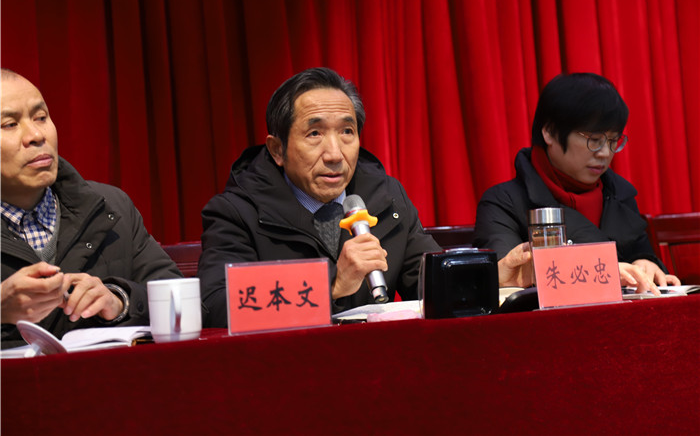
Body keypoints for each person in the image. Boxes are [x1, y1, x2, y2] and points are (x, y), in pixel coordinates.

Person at [198, 67, 440, 326]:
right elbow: (215, 306)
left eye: (347, 131)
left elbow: (433, 283)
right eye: (315, 134)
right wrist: (331, 285)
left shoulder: (386, 197)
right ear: (277, 150)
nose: (335, 155)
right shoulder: (237, 212)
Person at [1, 68, 182, 348]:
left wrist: (119, 301)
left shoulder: (110, 205)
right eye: (10, 124)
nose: (36, 135)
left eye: (41, 117)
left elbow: (180, 303)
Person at [474, 72, 680, 294]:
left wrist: (647, 265)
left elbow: (638, 253)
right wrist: (602, 272)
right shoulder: (503, 203)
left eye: (613, 141)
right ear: (549, 132)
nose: (605, 153)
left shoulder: (618, 194)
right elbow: (506, 279)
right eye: (594, 140)